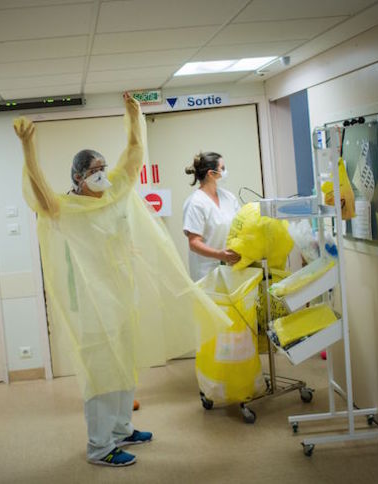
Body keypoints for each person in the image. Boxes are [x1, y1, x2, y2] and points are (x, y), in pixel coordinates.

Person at [14, 94, 230, 467]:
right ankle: (100, 446)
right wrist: (28, 148)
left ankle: (121, 428)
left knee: (124, 364)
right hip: (92, 304)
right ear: (78, 178)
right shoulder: (66, 209)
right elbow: (38, 193)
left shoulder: (114, 192)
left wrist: (135, 117)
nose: (102, 171)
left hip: (120, 295)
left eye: (103, 165)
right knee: (101, 371)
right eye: (94, 168)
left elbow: (133, 155)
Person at [182, 152, 242, 281]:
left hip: (231, 267)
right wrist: (219, 255)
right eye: (222, 168)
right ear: (211, 173)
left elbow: (242, 225)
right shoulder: (196, 203)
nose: (225, 172)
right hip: (206, 272)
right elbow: (194, 243)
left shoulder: (229, 198)